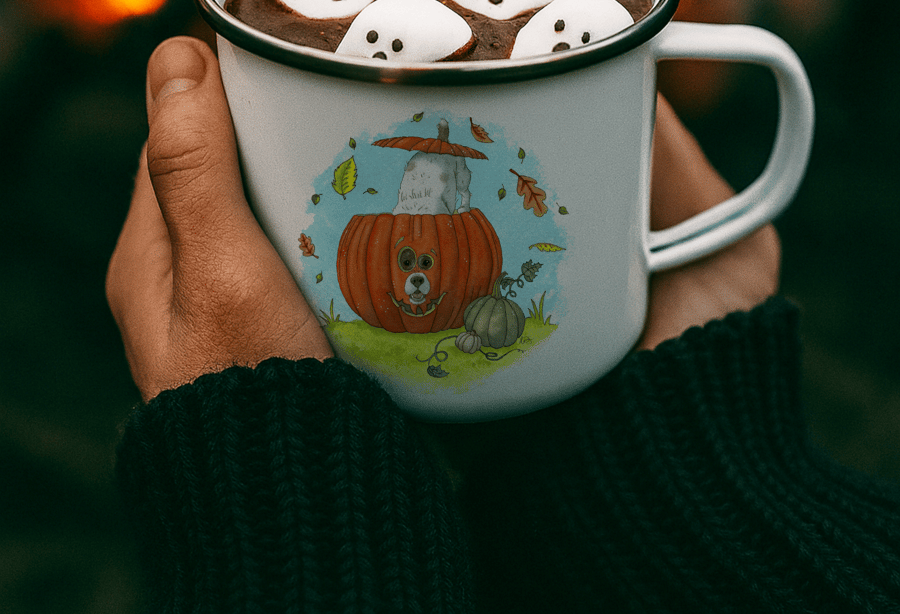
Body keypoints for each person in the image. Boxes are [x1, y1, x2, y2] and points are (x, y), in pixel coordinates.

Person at [107, 35, 900, 613]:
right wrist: (696, 474)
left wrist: (273, 484)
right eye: (408, 259)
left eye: (432, 258)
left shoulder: (476, 247)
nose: (418, 273)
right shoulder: (375, 238)